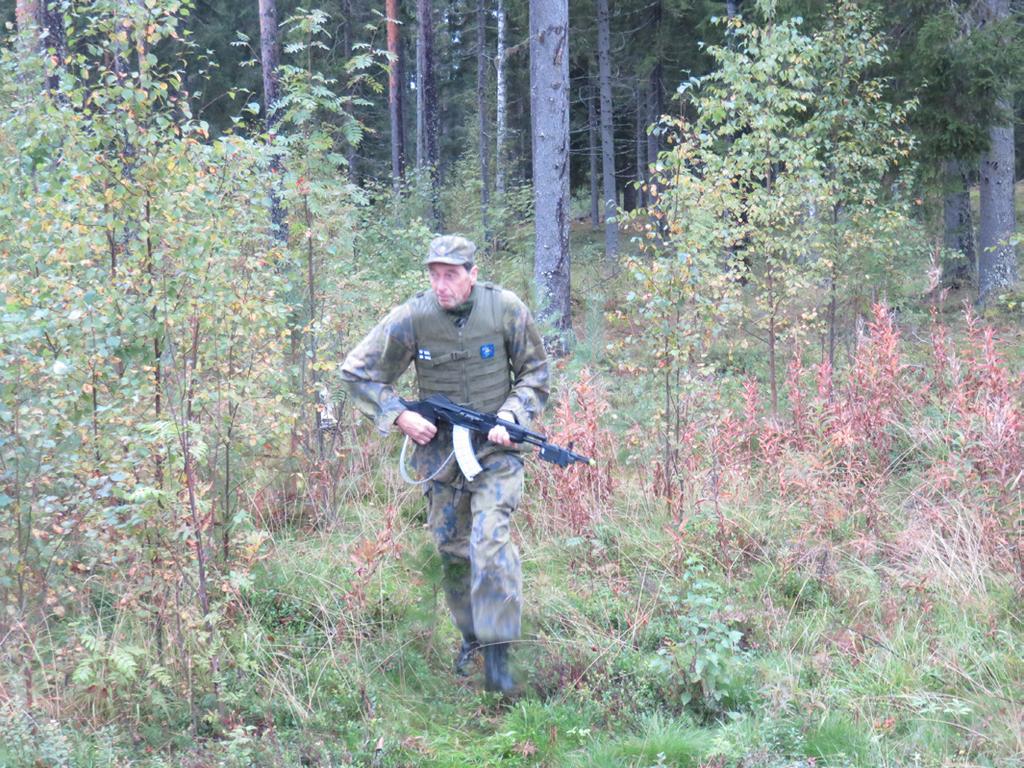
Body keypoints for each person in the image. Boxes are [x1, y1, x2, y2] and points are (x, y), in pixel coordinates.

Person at [340, 235, 549, 695]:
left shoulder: (505, 309)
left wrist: (512, 414)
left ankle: (499, 655)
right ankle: (472, 640)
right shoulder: (414, 317)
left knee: (490, 540)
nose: (441, 285)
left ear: (473, 275)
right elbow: (357, 370)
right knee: (453, 553)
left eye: (451, 275)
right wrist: (400, 414)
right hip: (441, 459)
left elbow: (536, 373)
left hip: (496, 452)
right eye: (434, 275)